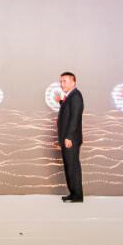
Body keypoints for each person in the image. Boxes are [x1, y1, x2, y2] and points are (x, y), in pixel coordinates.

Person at [56, 72, 85, 202]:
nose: (62, 84)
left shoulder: (76, 96)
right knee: (69, 166)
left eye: (65, 81)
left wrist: (69, 137)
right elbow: (68, 111)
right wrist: (61, 102)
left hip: (71, 139)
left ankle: (77, 195)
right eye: (61, 81)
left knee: (73, 167)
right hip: (67, 138)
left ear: (73, 82)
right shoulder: (70, 96)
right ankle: (73, 193)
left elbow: (75, 118)